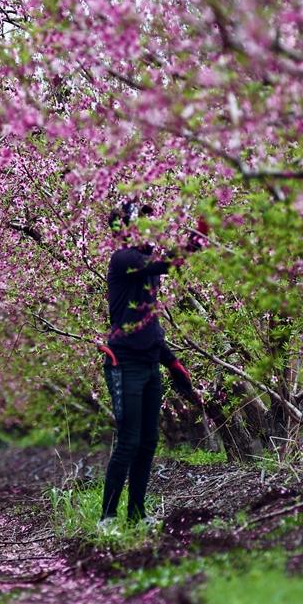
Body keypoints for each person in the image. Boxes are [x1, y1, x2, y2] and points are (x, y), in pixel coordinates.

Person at [99, 201, 205, 528]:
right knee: (129, 440)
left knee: (148, 441)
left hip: (148, 362)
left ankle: (136, 514)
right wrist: (195, 240)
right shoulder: (124, 259)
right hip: (123, 362)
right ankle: (107, 519)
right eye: (144, 224)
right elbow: (167, 262)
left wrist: (172, 363)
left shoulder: (145, 268)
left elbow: (148, 322)